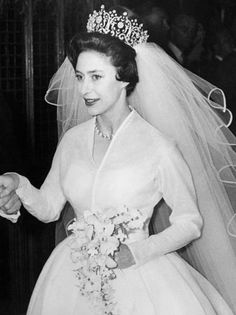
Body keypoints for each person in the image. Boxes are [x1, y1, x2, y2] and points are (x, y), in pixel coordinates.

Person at [0, 4, 236, 314]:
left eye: (96, 76)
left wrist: (138, 252)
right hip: (73, 277)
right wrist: (18, 185)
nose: (85, 89)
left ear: (124, 78)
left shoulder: (158, 147)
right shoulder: (72, 141)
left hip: (141, 278)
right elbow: (48, 208)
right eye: (80, 76)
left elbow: (190, 222)